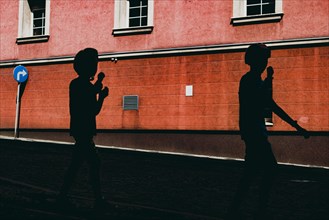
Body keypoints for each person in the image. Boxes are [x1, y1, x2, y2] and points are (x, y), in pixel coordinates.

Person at [226, 43, 309, 220]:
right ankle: (259, 210)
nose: (265, 62)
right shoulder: (251, 80)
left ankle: (239, 209)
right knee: (269, 170)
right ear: (257, 60)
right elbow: (269, 103)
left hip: (253, 133)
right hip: (255, 134)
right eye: (264, 58)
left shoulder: (251, 80)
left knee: (250, 174)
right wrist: (296, 126)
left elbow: (266, 101)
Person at [58, 48, 109, 210]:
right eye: (94, 64)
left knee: (77, 165)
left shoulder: (77, 84)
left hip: (80, 131)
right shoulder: (83, 86)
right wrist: (101, 97)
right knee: (94, 163)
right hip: (84, 131)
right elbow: (93, 109)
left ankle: (63, 196)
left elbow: (90, 91)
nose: (95, 67)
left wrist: (98, 83)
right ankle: (98, 200)